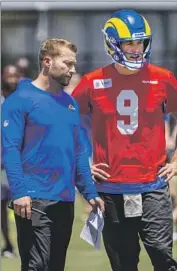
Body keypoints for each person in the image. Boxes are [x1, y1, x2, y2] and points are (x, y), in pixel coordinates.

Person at [72, 9, 177, 271]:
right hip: (110, 189)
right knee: (123, 264)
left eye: (140, 41)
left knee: (163, 257)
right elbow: (65, 124)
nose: (136, 48)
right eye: (129, 42)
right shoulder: (91, 82)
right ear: (112, 44)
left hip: (153, 184)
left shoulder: (163, 78)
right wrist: (82, 163)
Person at [1, 38, 104, 271]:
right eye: (67, 63)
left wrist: (89, 191)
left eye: (74, 64)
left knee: (56, 266)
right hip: (32, 199)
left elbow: (78, 151)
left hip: (64, 200)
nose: (73, 69)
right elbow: (11, 150)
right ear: (48, 62)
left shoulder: (70, 104)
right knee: (37, 266)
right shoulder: (19, 101)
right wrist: (19, 192)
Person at [1, 64, 21, 258]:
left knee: (22, 205)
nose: (12, 79)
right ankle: (8, 245)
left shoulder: (22, 100)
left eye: (15, 75)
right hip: (1, 164)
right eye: (9, 75)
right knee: (2, 206)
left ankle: (26, 245)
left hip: (21, 163)